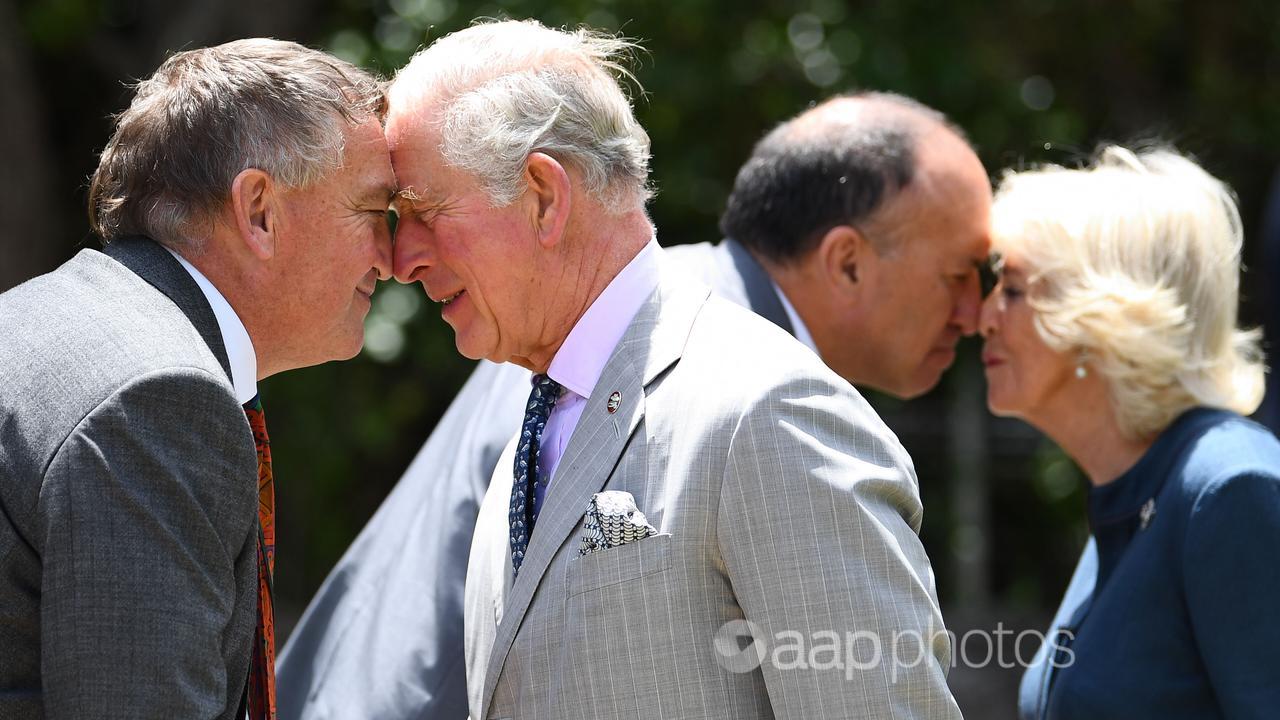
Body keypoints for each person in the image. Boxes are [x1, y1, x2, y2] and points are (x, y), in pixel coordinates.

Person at [278, 91, 991, 719]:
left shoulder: (654, 361)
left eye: (428, 214)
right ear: (846, 261)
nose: (977, 312)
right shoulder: (601, 357)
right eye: (960, 274)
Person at [0, 39, 395, 719]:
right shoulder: (159, 398)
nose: (393, 258)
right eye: (373, 211)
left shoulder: (55, 318)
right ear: (259, 212)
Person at [977, 146, 1280, 719]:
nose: (983, 317)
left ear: (1104, 316)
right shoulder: (1134, 488)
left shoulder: (1229, 488)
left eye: (1012, 290)